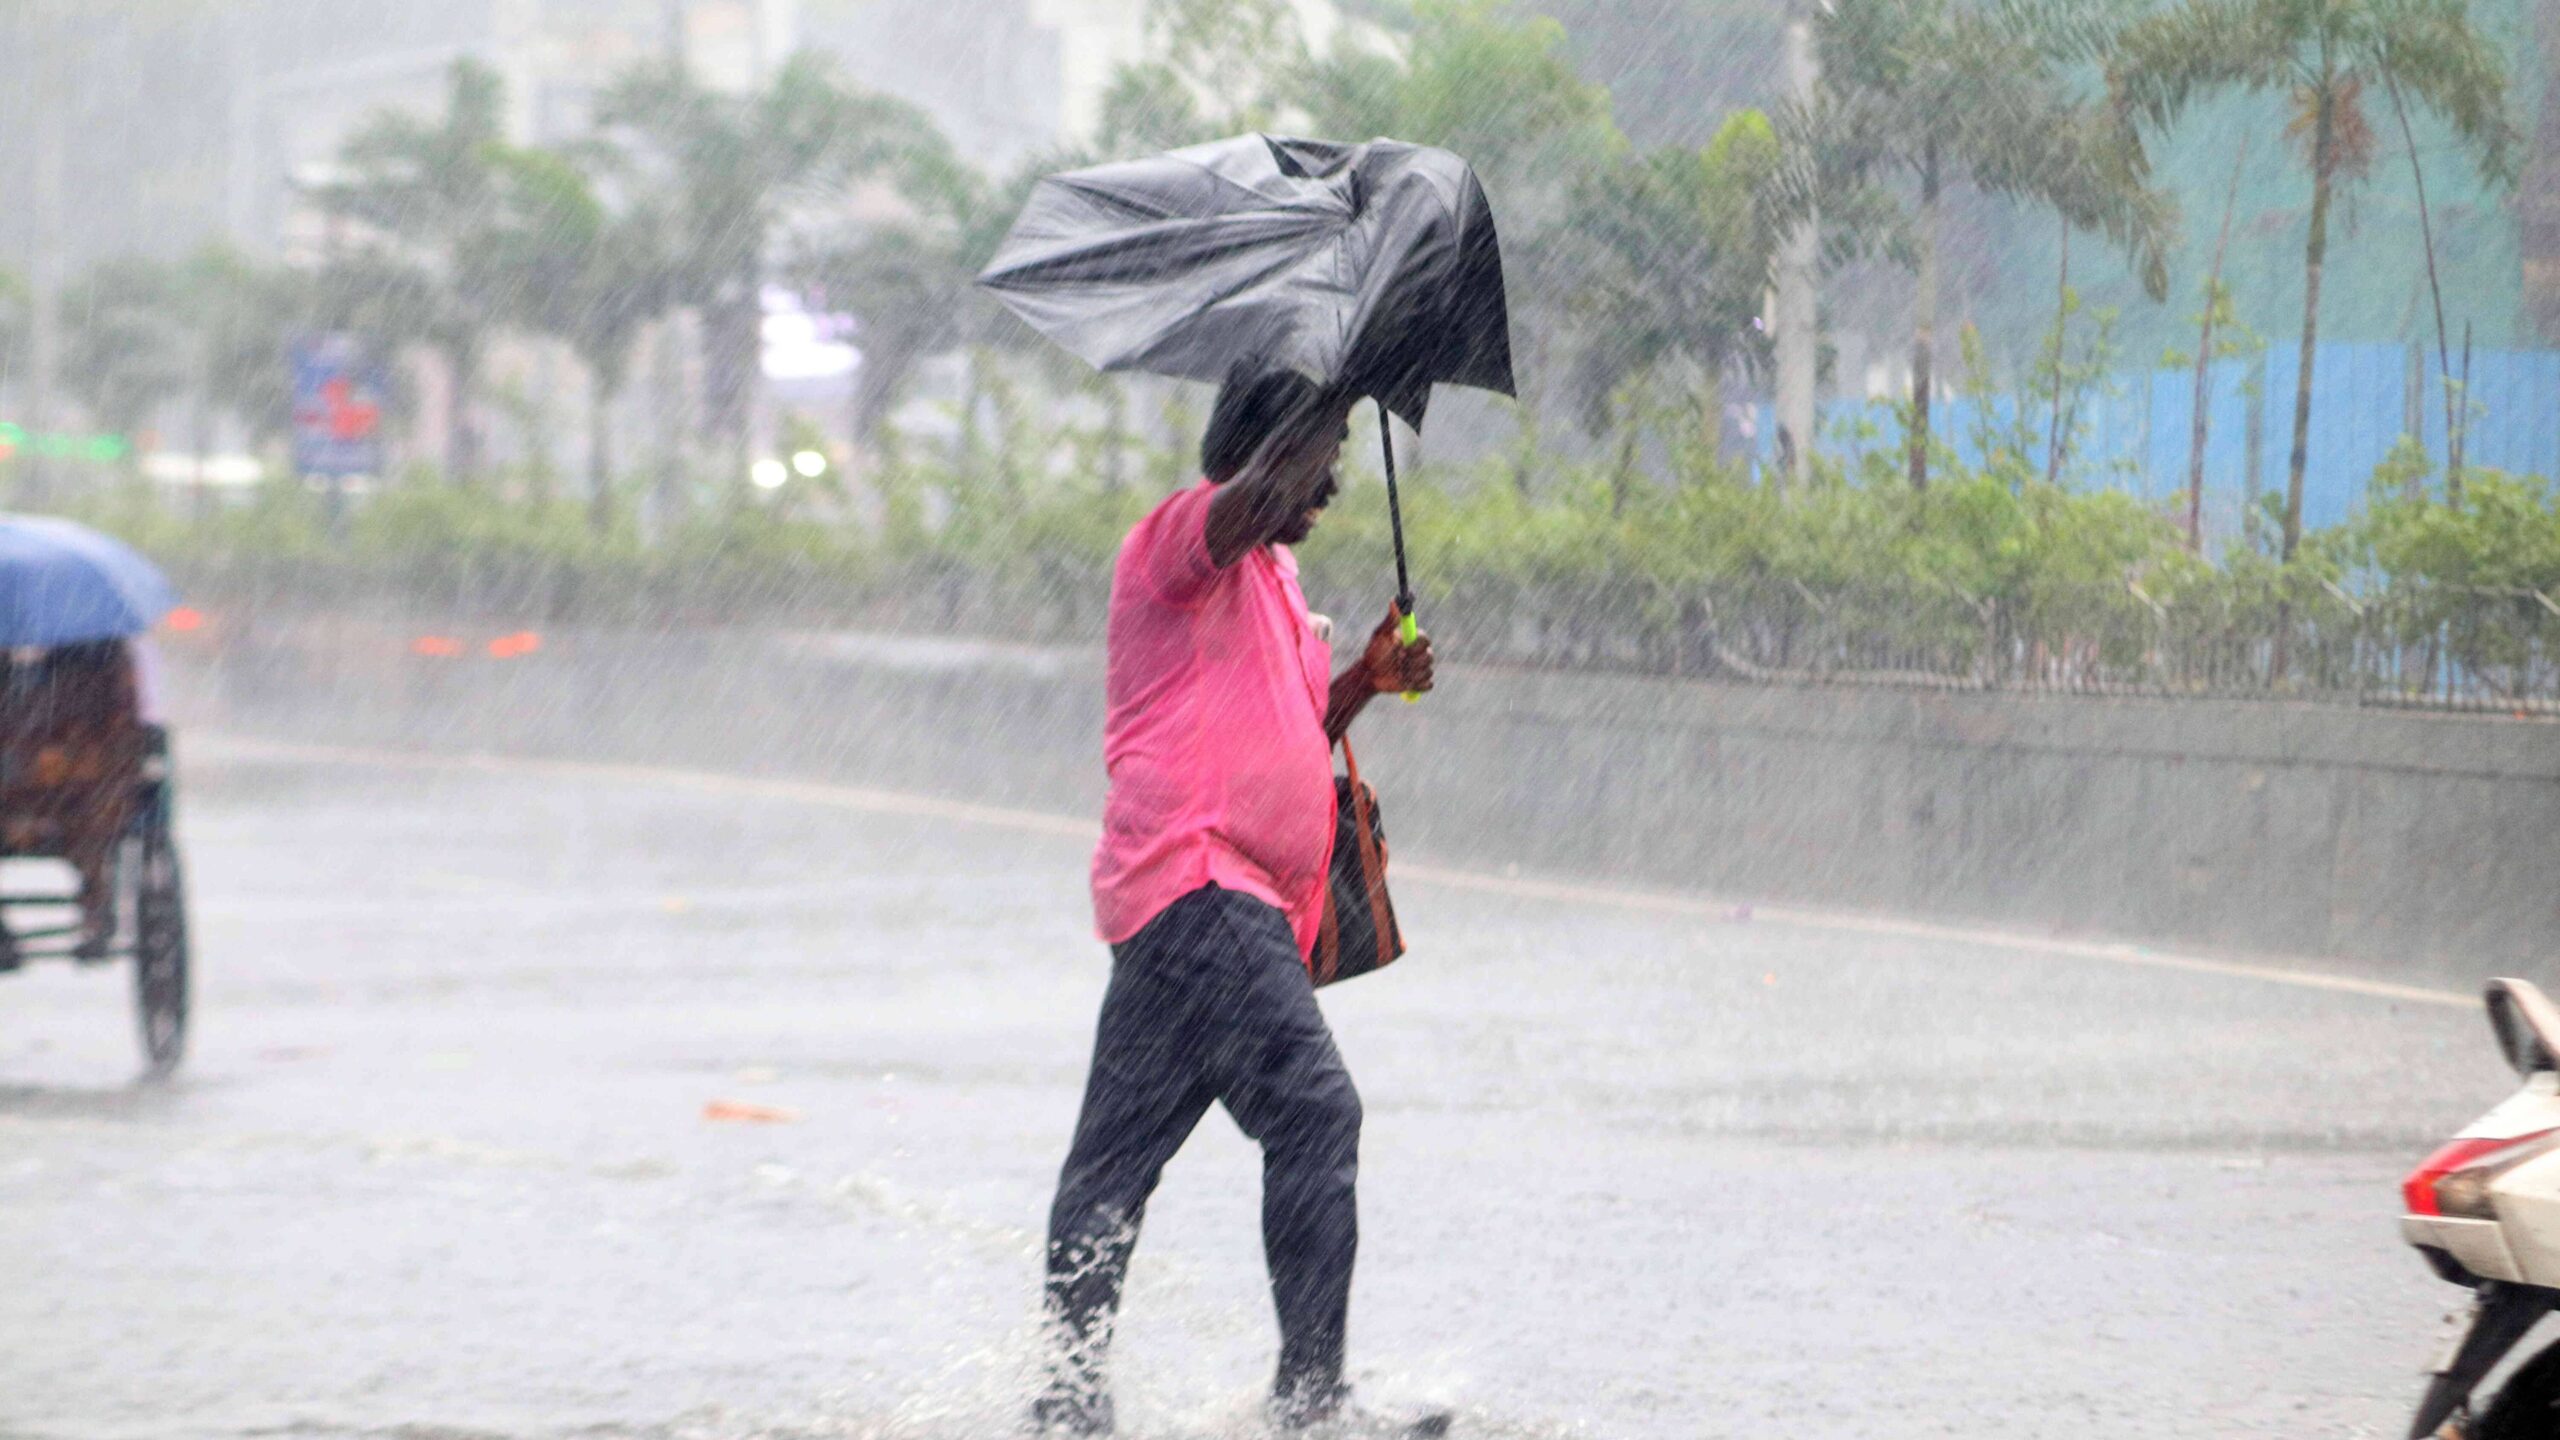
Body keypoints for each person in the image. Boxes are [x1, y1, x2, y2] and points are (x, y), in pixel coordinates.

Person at [1033, 367, 1440, 1437]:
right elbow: (1250, 500)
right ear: (1270, 446)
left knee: (1111, 1166)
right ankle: (1310, 1407)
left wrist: (1365, 679)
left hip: (1190, 907)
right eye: (1323, 455)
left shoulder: (1272, 588)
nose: (1333, 483)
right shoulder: (1178, 543)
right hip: (1202, 885)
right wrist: (1337, 389)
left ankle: (1065, 1403)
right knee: (1315, 1112)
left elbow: (1291, 734)